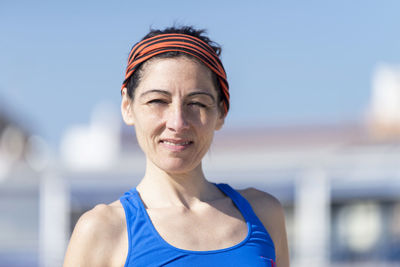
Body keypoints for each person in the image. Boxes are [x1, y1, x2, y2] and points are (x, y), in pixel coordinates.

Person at [63, 26, 290, 267]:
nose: (178, 122)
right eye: (157, 101)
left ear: (221, 112)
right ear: (127, 107)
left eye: (197, 103)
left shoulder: (264, 214)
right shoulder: (102, 230)